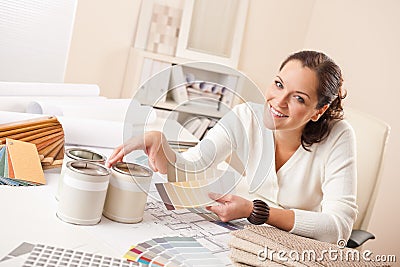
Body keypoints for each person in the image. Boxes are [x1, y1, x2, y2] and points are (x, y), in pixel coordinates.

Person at [107, 50, 357, 244]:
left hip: (295, 250)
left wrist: (256, 211)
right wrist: (160, 145)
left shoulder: (339, 137)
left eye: (299, 98)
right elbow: (195, 165)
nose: (279, 102)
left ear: (319, 110)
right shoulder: (246, 116)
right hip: (245, 239)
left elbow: (338, 228)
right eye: (279, 85)